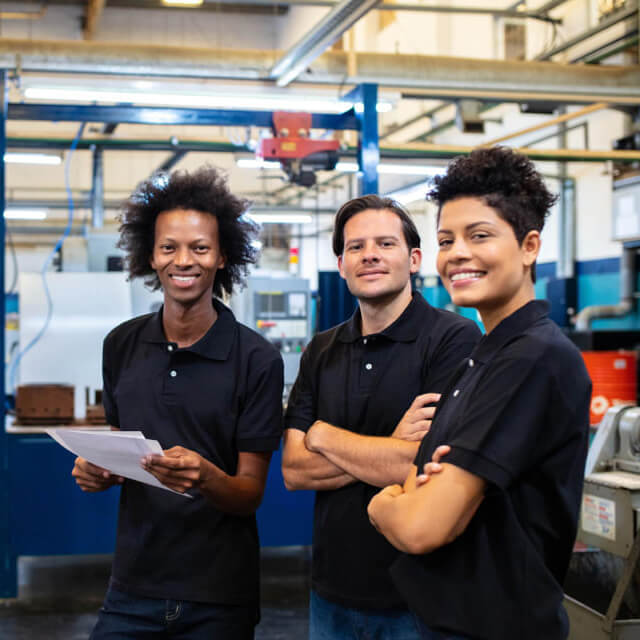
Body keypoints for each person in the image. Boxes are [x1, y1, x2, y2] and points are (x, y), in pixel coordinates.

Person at [368, 147, 591, 640]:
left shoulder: (532, 359)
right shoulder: (486, 354)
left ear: (529, 246)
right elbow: (417, 476)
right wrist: (414, 494)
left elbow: (422, 526)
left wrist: (381, 505)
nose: (458, 254)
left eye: (480, 235)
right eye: (446, 240)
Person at [71, 166, 284, 639]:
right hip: (131, 587)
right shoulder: (120, 344)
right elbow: (122, 447)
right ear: (151, 255)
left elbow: (250, 495)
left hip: (218, 597)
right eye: (169, 247)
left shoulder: (258, 360)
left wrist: (206, 477)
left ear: (223, 256)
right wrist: (98, 469)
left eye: (199, 248)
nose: (183, 261)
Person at [282, 194, 481, 640]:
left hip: (419, 598)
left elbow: (426, 465)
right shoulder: (321, 349)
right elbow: (293, 470)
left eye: (385, 244)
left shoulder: (454, 339)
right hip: (331, 592)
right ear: (341, 263)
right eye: (356, 246)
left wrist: (324, 434)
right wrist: (392, 443)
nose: (369, 254)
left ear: (413, 259)